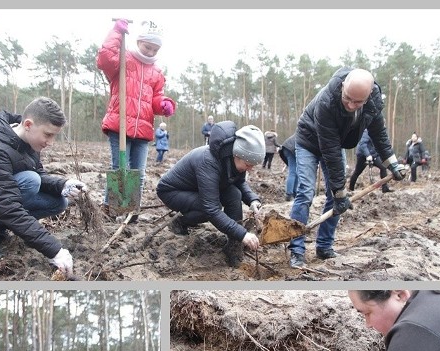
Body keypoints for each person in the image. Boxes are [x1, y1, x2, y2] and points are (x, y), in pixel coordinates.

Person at [287, 68, 406, 269]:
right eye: (347, 98)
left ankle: (324, 246)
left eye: (358, 102)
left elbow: (379, 134)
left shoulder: (373, 103)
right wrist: (340, 192)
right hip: (309, 141)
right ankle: (296, 249)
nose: (351, 105)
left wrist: (391, 163)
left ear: (368, 96)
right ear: (342, 87)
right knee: (306, 192)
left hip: (335, 144)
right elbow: (330, 150)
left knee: (336, 197)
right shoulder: (327, 102)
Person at [0, 96, 85, 278]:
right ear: (28, 125)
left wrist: (62, 185)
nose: (50, 142)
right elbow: (7, 205)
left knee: (59, 202)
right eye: (48, 134)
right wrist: (54, 251)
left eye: (54, 136)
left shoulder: (29, 143)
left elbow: (40, 175)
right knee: (29, 181)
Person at [155, 121, 264, 268]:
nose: (249, 169)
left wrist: (252, 200)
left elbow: (239, 182)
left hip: (197, 187)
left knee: (234, 194)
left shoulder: (233, 158)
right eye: (248, 165)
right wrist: (243, 234)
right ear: (237, 154)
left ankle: (233, 246)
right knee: (209, 207)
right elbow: (211, 209)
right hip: (173, 191)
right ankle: (180, 222)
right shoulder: (209, 161)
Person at [97, 18, 176, 208]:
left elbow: (156, 98)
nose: (150, 52)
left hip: (142, 129)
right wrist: (116, 32)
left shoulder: (156, 72)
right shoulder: (123, 59)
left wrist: (164, 104)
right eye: (147, 47)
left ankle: (131, 211)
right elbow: (105, 58)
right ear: (139, 42)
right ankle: (112, 208)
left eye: (154, 49)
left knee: (138, 173)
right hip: (119, 125)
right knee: (119, 170)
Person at [348, 129, 391, 194]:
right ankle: (351, 189)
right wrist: (368, 155)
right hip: (362, 155)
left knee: (383, 167)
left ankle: (385, 188)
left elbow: (382, 145)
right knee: (357, 172)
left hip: (374, 154)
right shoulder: (367, 131)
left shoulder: (380, 132)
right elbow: (362, 144)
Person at [278, 134, 297, 200]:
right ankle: (289, 194)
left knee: (295, 171)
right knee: (293, 172)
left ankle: (294, 193)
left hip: (287, 147)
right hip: (292, 148)